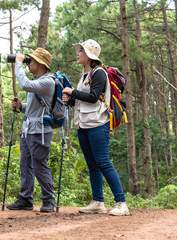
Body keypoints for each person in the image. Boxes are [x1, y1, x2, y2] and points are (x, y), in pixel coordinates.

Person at [62, 39, 130, 216]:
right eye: (78, 51)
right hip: (83, 124)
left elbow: (93, 97)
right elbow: (83, 100)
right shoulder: (85, 75)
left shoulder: (99, 72)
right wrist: (70, 100)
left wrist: (71, 92)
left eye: (81, 51)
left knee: (104, 163)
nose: (77, 54)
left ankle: (121, 203)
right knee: (92, 165)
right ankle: (98, 202)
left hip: (98, 124)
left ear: (90, 55)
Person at [6, 48, 55, 212]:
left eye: (31, 61)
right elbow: (34, 108)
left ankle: (48, 200)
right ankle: (26, 199)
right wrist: (21, 107)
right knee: (25, 164)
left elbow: (24, 84)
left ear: (41, 64)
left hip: (40, 131)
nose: (29, 63)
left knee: (40, 165)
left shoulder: (47, 82)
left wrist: (18, 64)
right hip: (28, 129)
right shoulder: (38, 80)